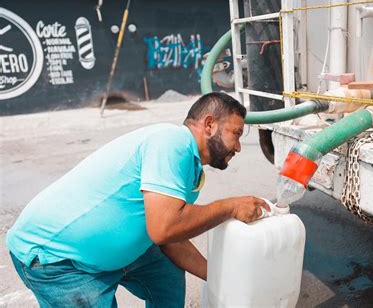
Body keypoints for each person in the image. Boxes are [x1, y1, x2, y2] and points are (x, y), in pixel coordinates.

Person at [6, 92, 270, 307]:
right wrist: (230, 206)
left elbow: (171, 237)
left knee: (166, 276)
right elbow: (164, 227)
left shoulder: (191, 167)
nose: (237, 146)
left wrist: (220, 280)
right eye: (235, 134)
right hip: (59, 260)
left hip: (108, 254)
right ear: (210, 124)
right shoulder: (172, 141)